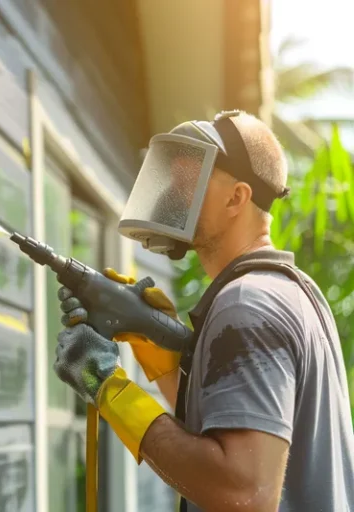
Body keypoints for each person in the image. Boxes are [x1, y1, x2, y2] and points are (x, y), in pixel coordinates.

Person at [53, 111, 354, 512]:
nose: (177, 188)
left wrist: (106, 386)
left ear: (237, 197)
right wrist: (162, 354)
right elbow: (228, 423)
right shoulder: (294, 292)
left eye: (194, 176)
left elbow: (243, 493)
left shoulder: (247, 305)